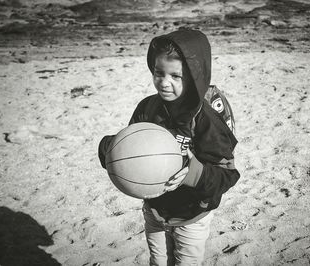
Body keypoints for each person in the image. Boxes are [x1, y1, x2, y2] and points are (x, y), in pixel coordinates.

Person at [98, 29, 240, 266]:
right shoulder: (147, 108)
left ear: (194, 76)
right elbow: (128, 147)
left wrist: (191, 172)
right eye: (158, 73)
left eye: (176, 76)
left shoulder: (204, 118)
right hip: (155, 209)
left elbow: (227, 175)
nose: (164, 83)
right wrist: (108, 149)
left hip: (192, 214)